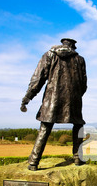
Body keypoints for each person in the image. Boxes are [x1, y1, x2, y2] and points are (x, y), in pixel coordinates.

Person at [21, 38, 87, 171]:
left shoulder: (49, 55)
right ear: (73, 46)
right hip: (73, 99)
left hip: (52, 98)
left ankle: (34, 161)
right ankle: (77, 157)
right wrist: (75, 95)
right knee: (78, 125)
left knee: (45, 128)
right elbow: (83, 84)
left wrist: (28, 97)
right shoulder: (79, 59)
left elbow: (38, 79)